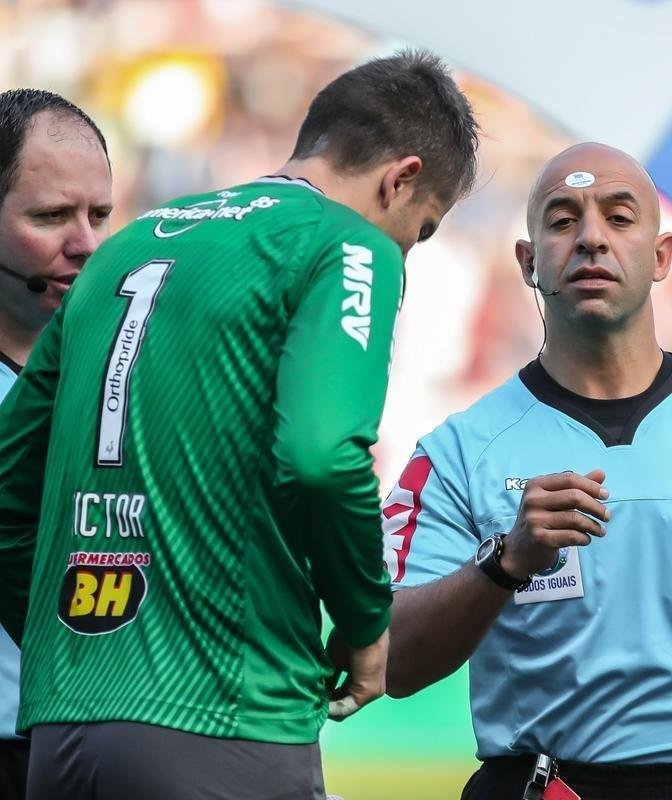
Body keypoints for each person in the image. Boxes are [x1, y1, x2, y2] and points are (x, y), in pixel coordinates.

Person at [0, 50, 479, 800]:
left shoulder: (127, 245)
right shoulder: (346, 245)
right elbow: (322, 456)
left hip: (60, 738)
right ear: (401, 179)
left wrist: (66, 649)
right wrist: (364, 625)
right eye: (418, 231)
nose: (404, 251)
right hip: (224, 716)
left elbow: (6, 493)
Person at [380, 142, 672, 800]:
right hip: (545, 785)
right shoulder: (459, 450)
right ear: (528, 262)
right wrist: (504, 561)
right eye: (561, 220)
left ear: (662, 257)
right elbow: (391, 660)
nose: (591, 239)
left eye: (619, 216)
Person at [0, 87, 112, 800]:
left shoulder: (133, 377)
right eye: (50, 216)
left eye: (99, 213)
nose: (86, 244)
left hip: (101, 747)